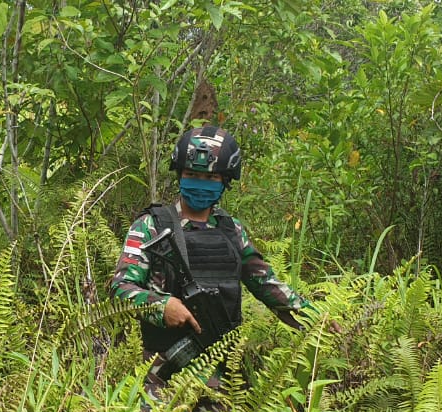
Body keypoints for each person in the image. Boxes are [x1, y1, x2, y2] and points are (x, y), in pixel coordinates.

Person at [111, 125, 313, 393]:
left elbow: (267, 286)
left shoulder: (231, 230)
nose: (200, 183)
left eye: (211, 178)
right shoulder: (151, 226)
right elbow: (120, 289)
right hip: (163, 371)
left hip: (222, 371)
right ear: (180, 174)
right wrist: (162, 306)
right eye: (192, 175)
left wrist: (314, 318)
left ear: (225, 181)